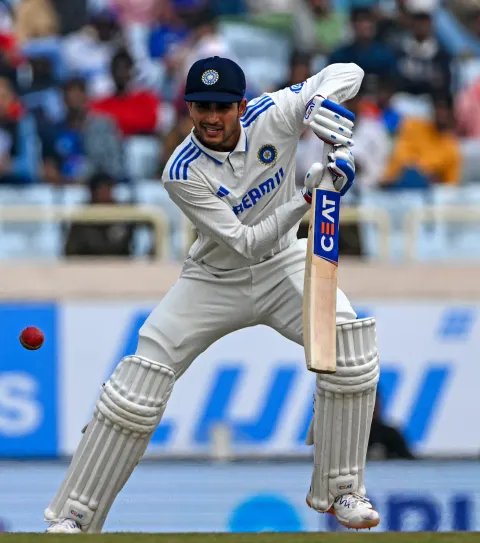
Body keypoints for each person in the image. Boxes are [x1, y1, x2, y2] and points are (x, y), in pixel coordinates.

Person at [45, 56, 381, 533]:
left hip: (282, 265)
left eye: (222, 107)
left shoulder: (274, 112)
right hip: (213, 278)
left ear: (241, 106)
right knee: (135, 388)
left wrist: (319, 103)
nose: (211, 117)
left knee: (349, 346)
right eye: (201, 106)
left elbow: (349, 70)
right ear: (188, 108)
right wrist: (307, 199)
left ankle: (342, 490)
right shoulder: (180, 170)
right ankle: (75, 515)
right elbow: (244, 242)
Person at [63, 172, 135, 257]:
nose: (106, 196)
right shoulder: (81, 220)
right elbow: (71, 251)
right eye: (101, 191)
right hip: (89, 266)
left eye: (109, 190)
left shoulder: (124, 216)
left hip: (121, 266)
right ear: (92, 194)